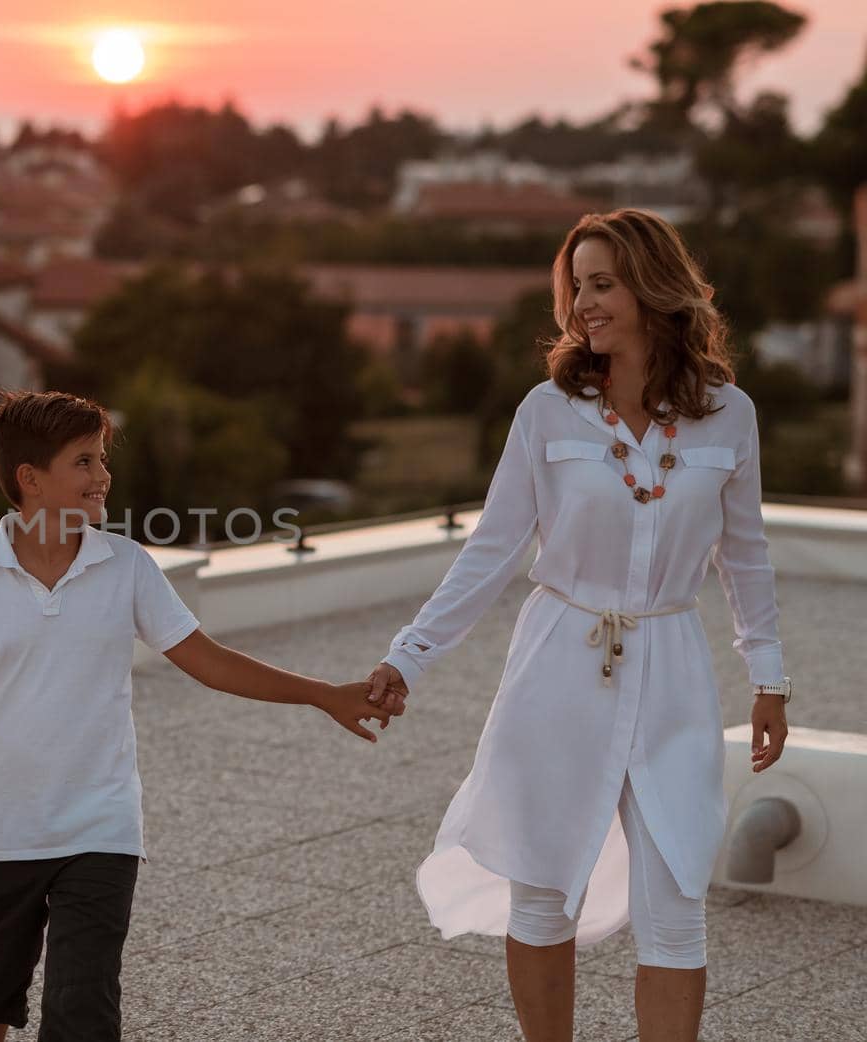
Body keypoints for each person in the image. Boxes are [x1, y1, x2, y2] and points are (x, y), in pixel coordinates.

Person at [0, 390, 394, 1041]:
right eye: (84, 461)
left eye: (101, 459)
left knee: (83, 1008)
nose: (103, 476)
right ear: (30, 479)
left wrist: (324, 693)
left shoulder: (126, 567)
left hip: (101, 823)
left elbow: (208, 660)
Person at [364, 208, 789, 1042]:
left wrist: (767, 675)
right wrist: (408, 657)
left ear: (652, 287)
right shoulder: (546, 412)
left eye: (602, 284)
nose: (582, 305)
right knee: (544, 891)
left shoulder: (728, 414)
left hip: (671, 668)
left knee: (676, 901)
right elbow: (490, 551)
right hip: (559, 663)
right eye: (576, 287)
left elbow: (746, 556)